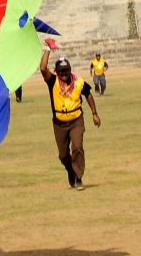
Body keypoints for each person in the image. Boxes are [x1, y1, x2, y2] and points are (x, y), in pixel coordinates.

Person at [40, 46, 100, 189]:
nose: (64, 73)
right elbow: (43, 69)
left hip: (76, 121)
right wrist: (47, 48)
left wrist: (94, 113)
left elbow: (88, 94)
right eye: (61, 71)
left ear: (70, 70)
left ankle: (78, 178)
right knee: (63, 155)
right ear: (56, 72)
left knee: (78, 147)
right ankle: (70, 171)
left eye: (66, 70)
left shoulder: (78, 82)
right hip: (59, 124)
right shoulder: (52, 81)